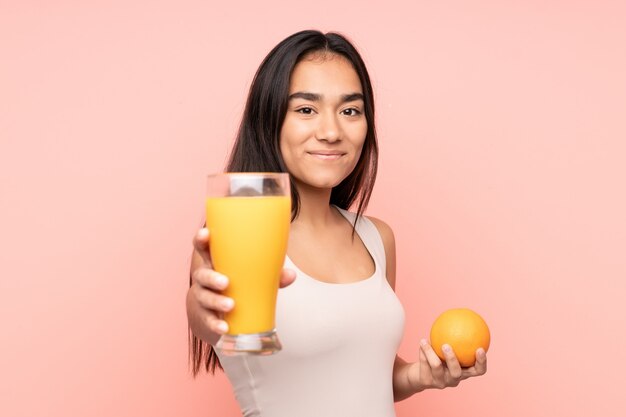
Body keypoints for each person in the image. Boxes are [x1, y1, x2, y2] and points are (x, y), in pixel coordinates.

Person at [187, 30, 487, 416]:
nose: (331, 132)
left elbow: (366, 373)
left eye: (350, 111)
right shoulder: (240, 235)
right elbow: (207, 320)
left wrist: (420, 376)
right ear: (269, 120)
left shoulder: (376, 237)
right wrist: (201, 310)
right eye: (306, 109)